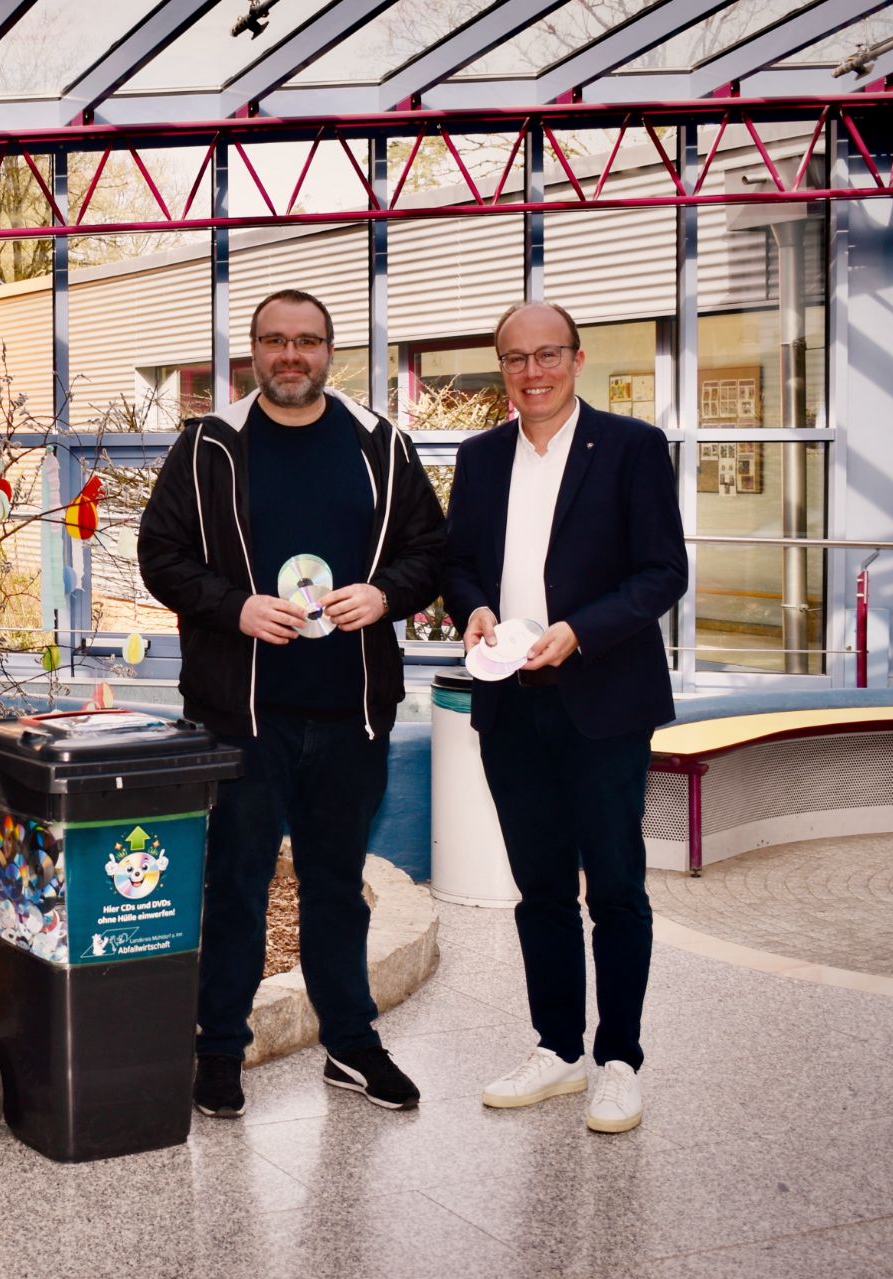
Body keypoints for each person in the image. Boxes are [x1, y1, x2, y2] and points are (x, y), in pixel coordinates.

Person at [138, 289, 446, 1118]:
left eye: (306, 342)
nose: (290, 356)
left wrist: (383, 595)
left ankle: (349, 1043)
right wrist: (232, 604)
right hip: (242, 716)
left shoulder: (380, 444)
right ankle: (218, 1051)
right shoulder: (208, 445)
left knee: (336, 887)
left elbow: (429, 550)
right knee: (235, 885)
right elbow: (158, 555)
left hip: (352, 716)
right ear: (253, 352)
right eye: (274, 341)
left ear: (328, 351)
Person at [442, 301, 687, 1134]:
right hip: (509, 702)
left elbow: (663, 573)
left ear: (578, 360)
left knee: (615, 887)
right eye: (516, 358)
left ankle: (620, 1059)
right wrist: (472, 609)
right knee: (539, 888)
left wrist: (580, 632)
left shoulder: (630, 447)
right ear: (501, 367)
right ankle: (557, 1048)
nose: (532, 372)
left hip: (604, 703)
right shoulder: (478, 459)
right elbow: (460, 565)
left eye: (548, 355)